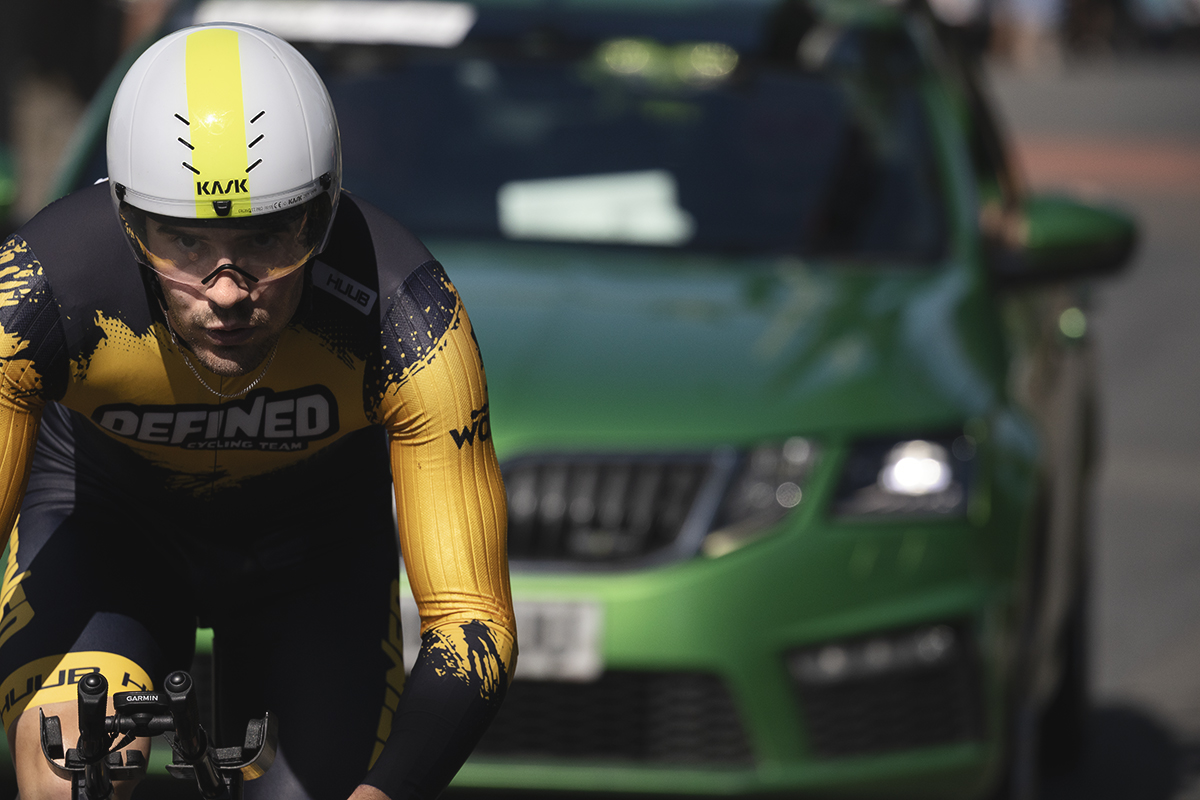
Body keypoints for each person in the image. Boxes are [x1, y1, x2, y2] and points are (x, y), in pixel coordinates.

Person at [0, 22, 516, 800]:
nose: (230, 289)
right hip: (109, 541)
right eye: (184, 242)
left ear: (323, 209)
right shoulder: (38, 292)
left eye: (271, 237)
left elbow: (472, 621)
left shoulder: (408, 314)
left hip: (317, 563)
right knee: (72, 774)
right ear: (128, 222)